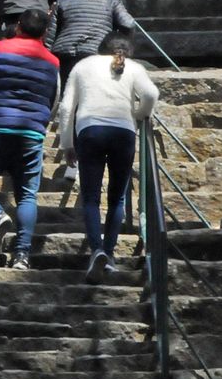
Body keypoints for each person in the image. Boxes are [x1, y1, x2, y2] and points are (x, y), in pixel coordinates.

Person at [0, 8, 61, 271]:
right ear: (45, 32)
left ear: (18, 26)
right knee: (27, 196)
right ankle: (21, 257)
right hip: (31, 134)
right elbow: (54, 103)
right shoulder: (53, 61)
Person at [57, 33, 159, 282]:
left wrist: (67, 143)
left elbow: (66, 107)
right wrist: (137, 114)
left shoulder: (83, 65)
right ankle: (110, 253)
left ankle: (97, 250)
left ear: (100, 48)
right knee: (118, 197)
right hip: (123, 131)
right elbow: (151, 95)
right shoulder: (134, 68)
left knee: (91, 197)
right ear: (128, 51)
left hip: (89, 130)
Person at [45, 0, 138, 85]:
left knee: (68, 95)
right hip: (97, 54)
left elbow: (50, 35)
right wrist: (120, 47)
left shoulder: (62, 1)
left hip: (66, 56)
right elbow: (129, 24)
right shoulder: (111, 0)